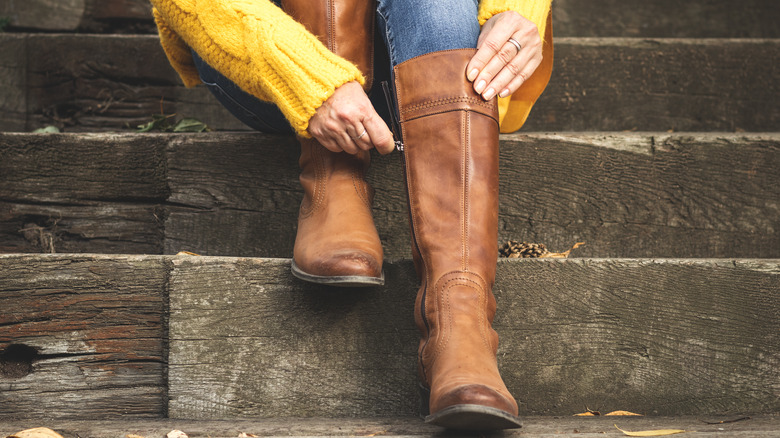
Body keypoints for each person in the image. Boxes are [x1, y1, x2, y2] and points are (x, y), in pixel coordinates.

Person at [149, 0, 552, 430]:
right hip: (269, 59)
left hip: (438, 61)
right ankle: (333, 180)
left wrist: (519, 9)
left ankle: (461, 319)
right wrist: (307, 78)